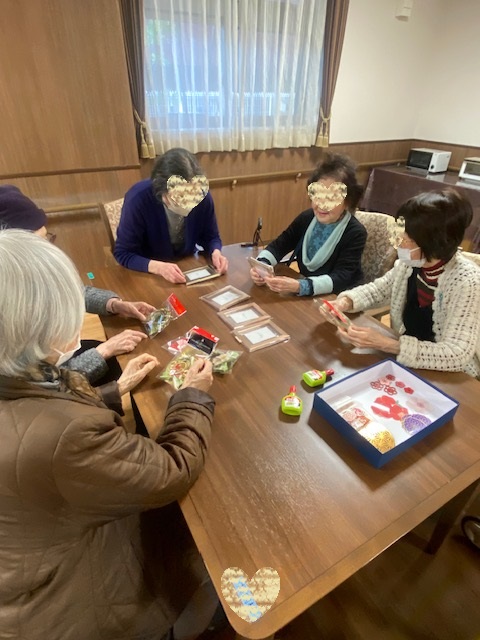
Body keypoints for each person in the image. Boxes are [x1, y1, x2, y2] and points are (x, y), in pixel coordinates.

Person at [0, 229, 219, 640]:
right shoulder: (68, 435)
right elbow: (173, 470)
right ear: (38, 325)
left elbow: (35, 423)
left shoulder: (17, 379)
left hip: (29, 565)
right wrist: (192, 395)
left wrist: (114, 390)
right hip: (67, 603)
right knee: (209, 545)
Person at [0, 184, 156, 385]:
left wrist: (114, 304)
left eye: (47, 239)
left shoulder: (23, 276)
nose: (50, 251)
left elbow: (71, 291)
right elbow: (47, 388)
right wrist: (104, 353)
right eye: (39, 246)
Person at [322, 189, 480, 378]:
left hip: (452, 376)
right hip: (408, 363)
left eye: (407, 240)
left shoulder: (467, 281)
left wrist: (388, 344)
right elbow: (378, 291)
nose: (398, 244)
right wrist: (345, 302)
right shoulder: (410, 264)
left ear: (433, 243)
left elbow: (456, 354)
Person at [249, 153, 367, 296]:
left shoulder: (355, 232)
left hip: (341, 298)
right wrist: (261, 267)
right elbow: (279, 245)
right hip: (309, 296)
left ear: (348, 201)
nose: (322, 204)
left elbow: (341, 278)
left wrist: (301, 286)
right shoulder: (307, 218)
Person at [114, 147, 229, 283]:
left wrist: (216, 252)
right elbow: (123, 253)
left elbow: (211, 237)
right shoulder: (138, 199)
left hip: (187, 265)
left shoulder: (201, 196)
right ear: (161, 188)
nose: (186, 206)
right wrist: (158, 267)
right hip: (147, 275)